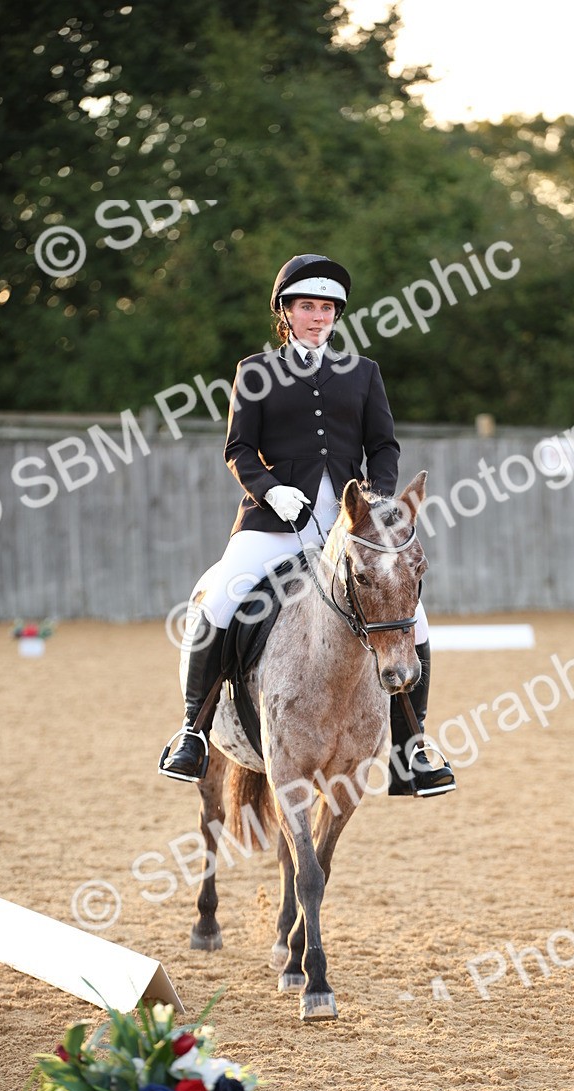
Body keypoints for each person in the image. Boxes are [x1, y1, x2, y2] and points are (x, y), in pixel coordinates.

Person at [159, 252, 455, 797]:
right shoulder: (256, 372)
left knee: (419, 621)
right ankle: (193, 732)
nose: (318, 317)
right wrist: (272, 489)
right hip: (273, 522)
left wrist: (375, 502)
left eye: (326, 308)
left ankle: (412, 748)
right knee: (221, 598)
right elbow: (239, 448)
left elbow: (383, 445)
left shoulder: (363, 374)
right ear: (286, 313)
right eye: (307, 307)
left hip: (348, 525)